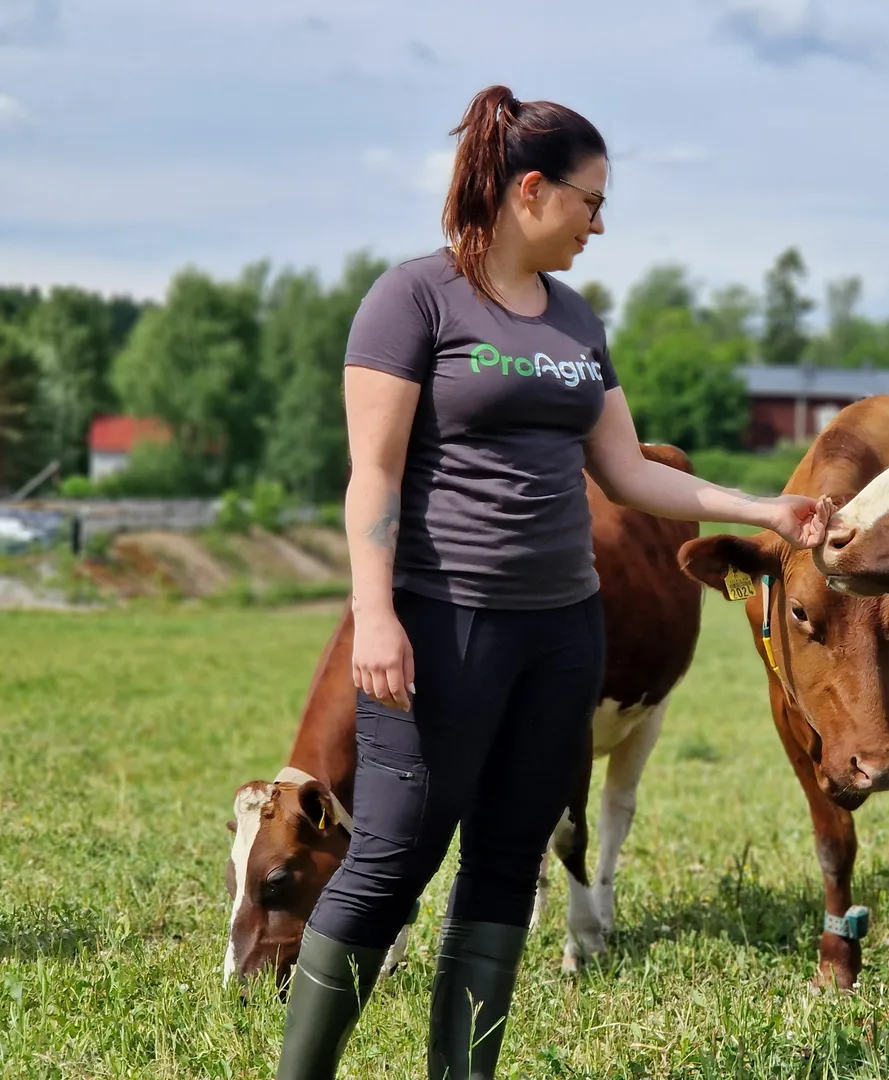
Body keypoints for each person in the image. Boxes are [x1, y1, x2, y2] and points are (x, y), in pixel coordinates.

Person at [273, 84, 832, 1080]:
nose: (600, 221)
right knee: (396, 856)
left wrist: (762, 510)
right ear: (531, 191)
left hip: (564, 631)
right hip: (441, 624)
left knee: (504, 860)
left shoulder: (575, 317)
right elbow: (375, 472)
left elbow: (626, 470)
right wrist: (373, 615)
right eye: (590, 200)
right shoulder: (413, 300)